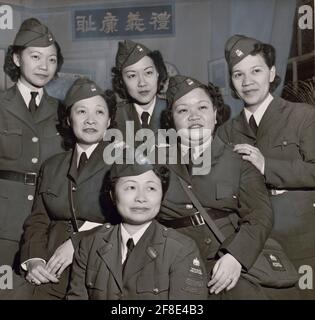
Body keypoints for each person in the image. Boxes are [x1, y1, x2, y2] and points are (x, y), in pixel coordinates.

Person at [157, 75, 274, 299]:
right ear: (171, 120)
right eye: (182, 110)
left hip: (226, 260)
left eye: (202, 107)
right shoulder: (156, 163)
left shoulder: (239, 160)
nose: (194, 117)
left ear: (215, 114)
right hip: (172, 263)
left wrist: (236, 256)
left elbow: (261, 214)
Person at [218, 35, 315, 299]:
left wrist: (267, 165)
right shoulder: (226, 132)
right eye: (238, 74)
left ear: (272, 73)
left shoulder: (302, 116)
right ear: (232, 82)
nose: (247, 82)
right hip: (254, 249)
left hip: (302, 245)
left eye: (256, 71)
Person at [16, 78, 117, 299]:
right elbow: (38, 219)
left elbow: (132, 221)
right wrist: (33, 259)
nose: (90, 120)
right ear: (69, 120)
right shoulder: (52, 166)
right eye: (81, 112)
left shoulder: (123, 162)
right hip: (53, 270)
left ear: (109, 120)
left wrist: (78, 243)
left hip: (102, 268)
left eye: (99, 112)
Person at [67, 160, 207, 300]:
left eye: (151, 188)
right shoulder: (89, 245)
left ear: (162, 196)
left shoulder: (181, 250)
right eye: (131, 187)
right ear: (113, 195)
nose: (141, 198)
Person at [0, 18, 64, 272]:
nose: (44, 66)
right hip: (5, 221)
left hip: (46, 222)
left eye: (51, 59)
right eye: (36, 57)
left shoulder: (63, 111)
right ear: (17, 59)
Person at [112, 39, 168, 139]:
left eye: (148, 73)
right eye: (132, 76)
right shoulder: (114, 117)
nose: (142, 83)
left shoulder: (174, 110)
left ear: (158, 74)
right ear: (121, 81)